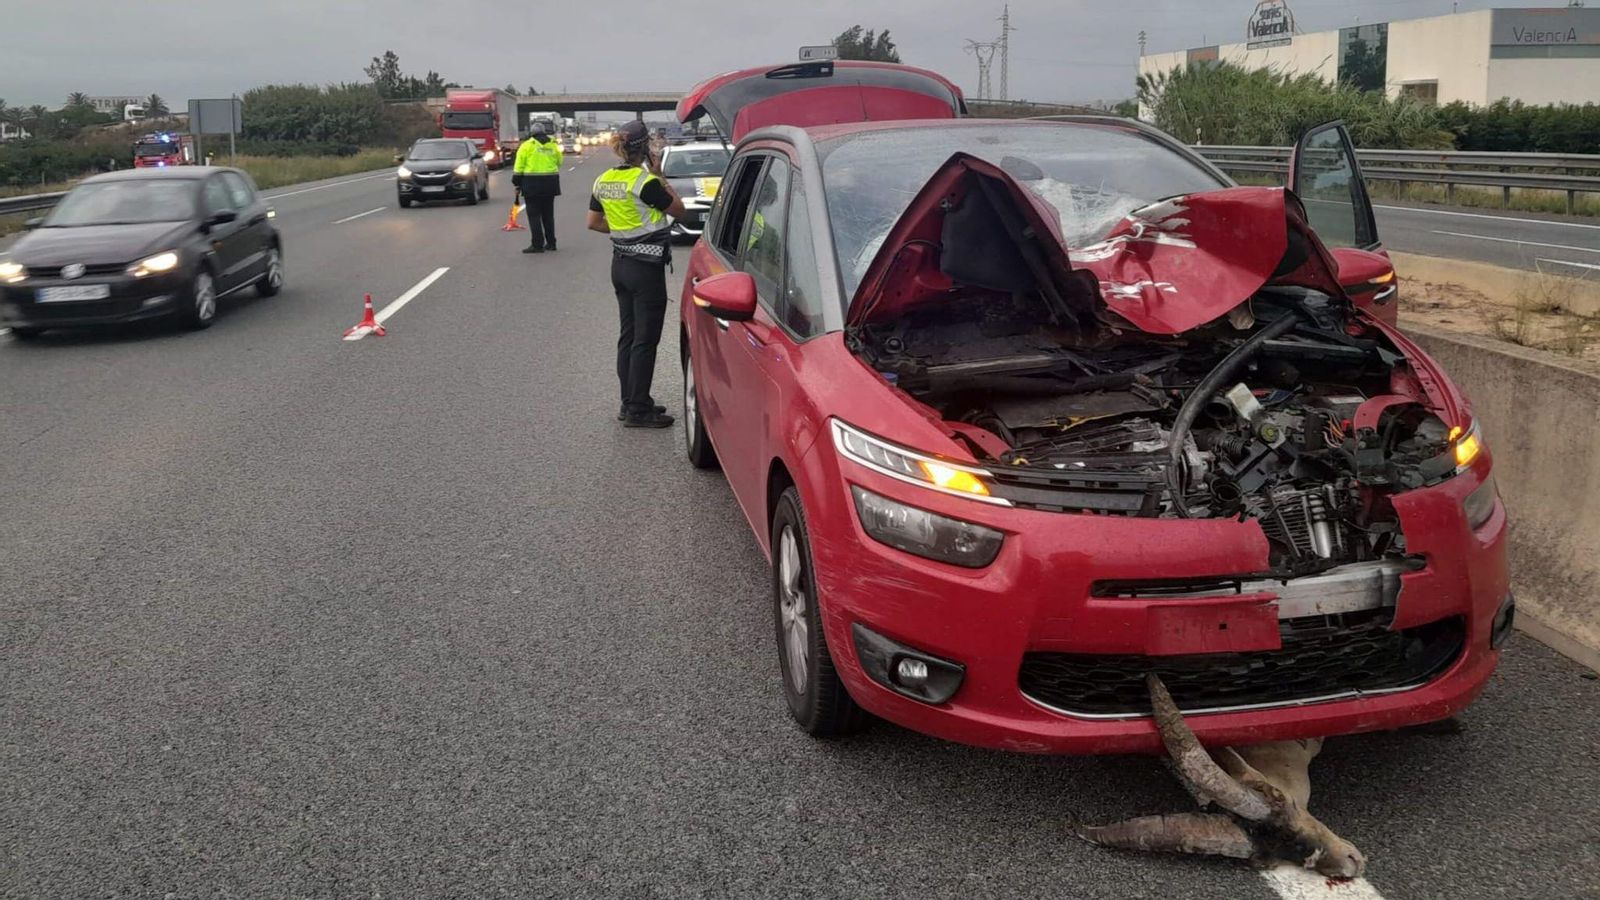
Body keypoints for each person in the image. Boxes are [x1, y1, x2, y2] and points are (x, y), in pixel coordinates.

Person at [587, 120, 686, 429]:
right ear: (644, 149)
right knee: (646, 339)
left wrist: (622, 233)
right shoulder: (645, 183)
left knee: (628, 336)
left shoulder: (603, 180)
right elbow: (679, 210)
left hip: (620, 265)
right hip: (646, 268)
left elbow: (593, 222)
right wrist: (659, 175)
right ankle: (638, 409)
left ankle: (629, 401)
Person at [513, 121, 563, 253]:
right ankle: (551, 243)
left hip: (532, 183)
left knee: (534, 215)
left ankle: (537, 244)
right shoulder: (553, 145)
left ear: (532, 133)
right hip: (550, 183)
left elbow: (519, 167)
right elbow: (560, 161)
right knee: (548, 214)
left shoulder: (527, 146)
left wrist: (516, 183)